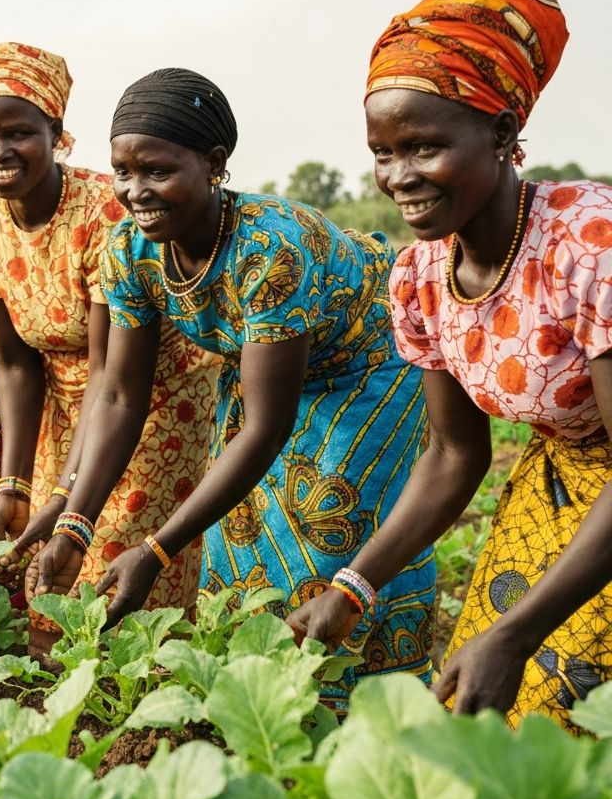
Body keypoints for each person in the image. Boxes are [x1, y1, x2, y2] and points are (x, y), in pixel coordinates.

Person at [28, 68, 435, 712]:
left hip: (366, 365)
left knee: (330, 526)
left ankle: (369, 709)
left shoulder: (272, 248)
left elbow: (266, 430)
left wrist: (156, 550)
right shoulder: (130, 248)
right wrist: (75, 525)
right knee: (238, 538)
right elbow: (117, 397)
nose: (135, 192)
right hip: (266, 368)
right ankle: (258, 703)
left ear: (214, 163)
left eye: (156, 171)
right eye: (122, 172)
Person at [289, 0, 611, 728]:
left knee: (565, 713)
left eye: (426, 146)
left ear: (502, 135)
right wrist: (353, 587)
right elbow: (452, 454)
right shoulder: (421, 277)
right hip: (562, 483)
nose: (400, 177)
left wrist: (518, 633)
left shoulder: (587, 244)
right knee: (474, 705)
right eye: (383, 152)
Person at [0, 43, 220, 642]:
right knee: (47, 565)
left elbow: (110, 373)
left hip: (151, 394)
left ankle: (143, 715)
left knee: (116, 557)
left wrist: (68, 493)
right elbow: (15, 367)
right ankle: (64, 711)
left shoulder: (104, 212)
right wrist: (15, 484)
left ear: (56, 133)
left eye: (18, 132)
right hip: (62, 405)